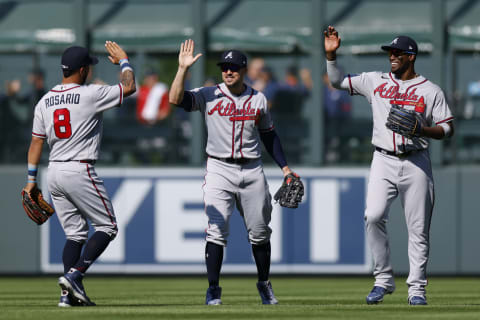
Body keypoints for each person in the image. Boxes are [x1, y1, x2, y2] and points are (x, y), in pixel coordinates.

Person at [324, 26, 454, 305]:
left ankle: (417, 288)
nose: (392, 56)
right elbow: (336, 82)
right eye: (390, 52)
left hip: (416, 161)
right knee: (373, 216)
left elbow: (447, 129)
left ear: (411, 57)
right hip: (383, 158)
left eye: (397, 53)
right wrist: (331, 56)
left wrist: (423, 130)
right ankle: (383, 280)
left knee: (418, 229)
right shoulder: (375, 80)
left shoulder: (430, 90)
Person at [169, 40, 299, 305]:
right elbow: (174, 99)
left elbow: (269, 136)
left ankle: (264, 284)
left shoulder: (258, 98)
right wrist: (182, 70)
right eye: (224, 67)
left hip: (252, 169)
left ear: (244, 70)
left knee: (260, 232)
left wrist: (285, 168)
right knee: (216, 231)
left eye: (234, 68)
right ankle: (213, 289)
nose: (228, 72)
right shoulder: (208, 94)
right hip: (219, 168)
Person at [22, 42, 136, 307]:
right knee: (108, 227)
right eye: (89, 67)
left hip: (54, 172)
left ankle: (67, 297)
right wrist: (124, 62)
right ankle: (74, 275)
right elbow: (129, 87)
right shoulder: (90, 94)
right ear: (83, 70)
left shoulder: (44, 101)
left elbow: (36, 143)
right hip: (79, 168)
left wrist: (30, 182)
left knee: (75, 235)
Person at [322, 72, 352, 163]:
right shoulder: (322, 91)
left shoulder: (342, 91)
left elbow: (347, 109)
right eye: (327, 76)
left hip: (339, 124)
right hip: (325, 125)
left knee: (338, 144)